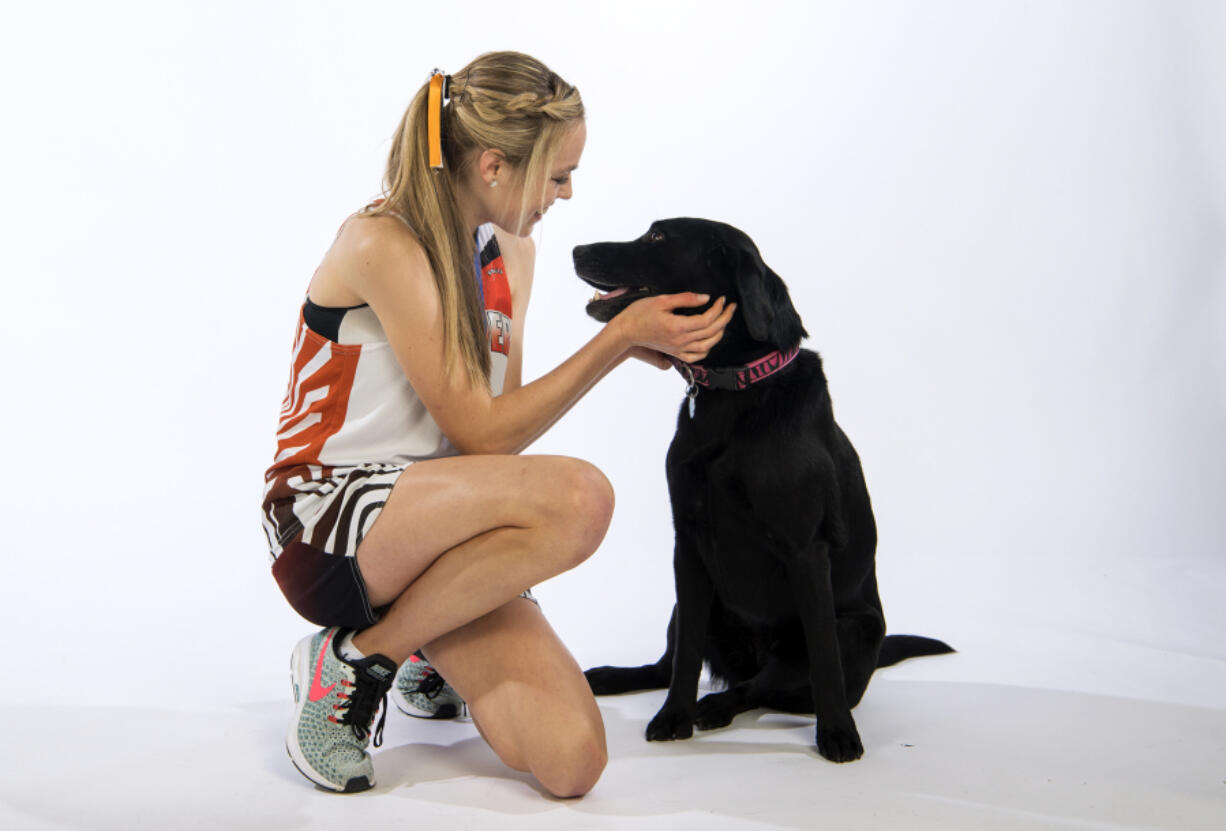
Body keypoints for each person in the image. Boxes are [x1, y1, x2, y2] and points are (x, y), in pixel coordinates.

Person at [261, 51, 735, 798]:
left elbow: (496, 438)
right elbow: (484, 435)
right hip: (328, 524)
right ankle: (357, 659)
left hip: (432, 521)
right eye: (556, 174)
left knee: (573, 761)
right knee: (583, 497)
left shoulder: (511, 252)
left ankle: (415, 640)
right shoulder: (380, 242)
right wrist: (615, 340)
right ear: (492, 165)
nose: (567, 193)